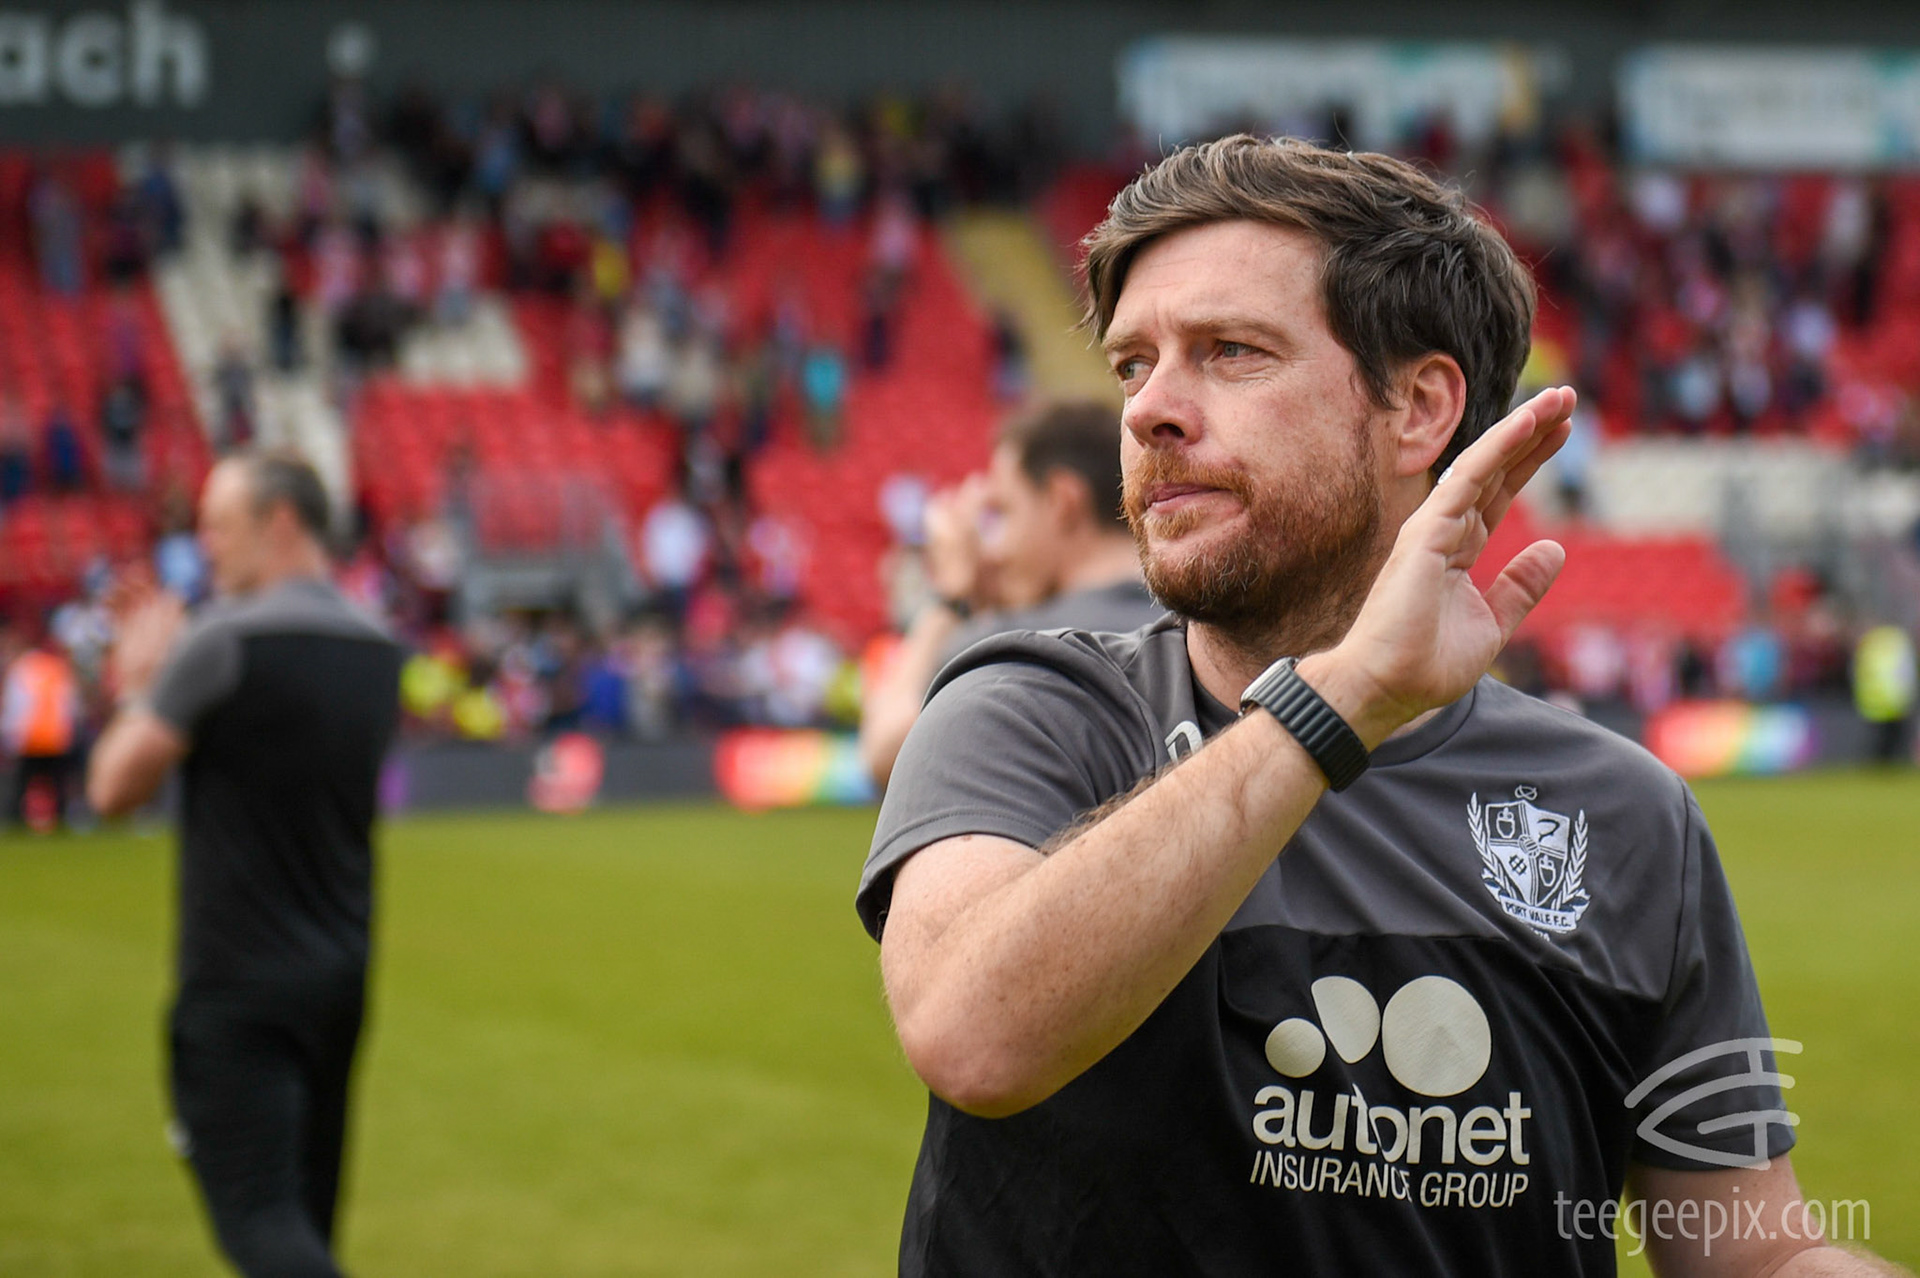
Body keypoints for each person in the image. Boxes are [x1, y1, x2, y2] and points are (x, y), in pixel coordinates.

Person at [857, 136, 1904, 1276]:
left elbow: (1753, 1252)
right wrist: (1343, 698)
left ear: (1418, 408)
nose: (1150, 409)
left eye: (1230, 352)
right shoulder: (1031, 709)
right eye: (1132, 365)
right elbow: (972, 1036)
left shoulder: (1626, 815)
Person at [87, 451, 403, 1278]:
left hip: (238, 983)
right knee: (307, 1221)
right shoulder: (378, 647)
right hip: (339, 973)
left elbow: (113, 788)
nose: (206, 546)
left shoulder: (222, 642)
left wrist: (139, 684)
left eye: (220, 526)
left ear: (282, 522)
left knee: (260, 1226)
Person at [859, 399, 1161, 788]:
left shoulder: (1008, 645)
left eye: (1004, 512)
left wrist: (950, 601)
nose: (996, 551)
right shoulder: (1200, 627)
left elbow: (884, 752)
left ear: (1063, 501)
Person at [2, 629, 82, 830]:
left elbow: (16, 704)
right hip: (55, 737)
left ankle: (17, 819)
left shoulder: (21, 669)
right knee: (56, 782)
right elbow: (70, 704)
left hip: (29, 737)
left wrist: (8, 733)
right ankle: (59, 818)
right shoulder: (57, 667)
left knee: (23, 782)